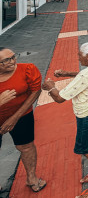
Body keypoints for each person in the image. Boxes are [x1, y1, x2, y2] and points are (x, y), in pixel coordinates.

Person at [43, 42, 88, 197]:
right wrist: (67, 73)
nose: (78, 57)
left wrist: (51, 86)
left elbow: (59, 98)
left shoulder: (86, 75)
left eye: (80, 55)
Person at [0, 47, 47, 192]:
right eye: (5, 60)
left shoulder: (27, 69)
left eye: (13, 57)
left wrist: (14, 118)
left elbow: (35, 91)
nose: (12, 61)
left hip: (22, 115)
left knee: (26, 147)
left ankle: (31, 178)